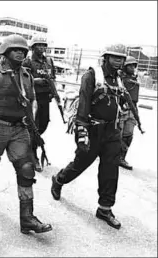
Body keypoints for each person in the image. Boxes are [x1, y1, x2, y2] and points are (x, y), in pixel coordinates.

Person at [0, 34, 52, 234]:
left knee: (26, 169)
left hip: (19, 128)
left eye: (23, 50)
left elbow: (32, 100)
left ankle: (27, 219)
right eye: (15, 49)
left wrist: (32, 121)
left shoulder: (26, 75)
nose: (20, 52)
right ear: (5, 52)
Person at [50, 44, 128, 230]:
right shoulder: (92, 75)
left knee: (110, 170)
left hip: (112, 132)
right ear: (106, 57)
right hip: (93, 129)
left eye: (121, 58)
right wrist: (81, 132)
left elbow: (120, 102)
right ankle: (59, 179)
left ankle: (105, 208)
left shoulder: (119, 78)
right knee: (80, 164)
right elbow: (84, 104)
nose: (119, 61)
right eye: (115, 57)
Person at [22, 35, 56, 172]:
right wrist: (38, 80)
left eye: (43, 45)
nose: (42, 48)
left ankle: (29, 143)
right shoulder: (28, 61)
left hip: (45, 98)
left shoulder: (48, 61)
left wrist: (53, 89)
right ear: (33, 47)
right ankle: (32, 153)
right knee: (34, 126)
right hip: (33, 99)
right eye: (39, 45)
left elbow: (53, 76)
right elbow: (23, 79)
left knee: (44, 124)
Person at [118, 56, 140, 170]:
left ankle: (121, 157)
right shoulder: (119, 78)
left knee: (128, 135)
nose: (132, 67)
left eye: (134, 65)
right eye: (129, 65)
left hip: (132, 109)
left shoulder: (134, 79)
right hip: (122, 109)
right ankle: (113, 156)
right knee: (118, 134)